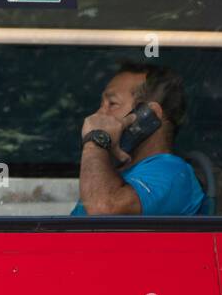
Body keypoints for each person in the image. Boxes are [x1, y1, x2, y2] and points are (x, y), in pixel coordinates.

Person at [72, 62, 206, 216]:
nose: (99, 115)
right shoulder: (112, 177)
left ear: (149, 113)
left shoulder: (172, 174)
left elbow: (103, 210)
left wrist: (96, 140)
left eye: (112, 104)